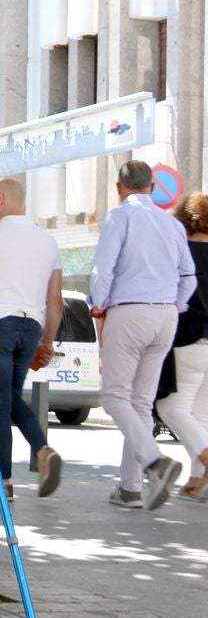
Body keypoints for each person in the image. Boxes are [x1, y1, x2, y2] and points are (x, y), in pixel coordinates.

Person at [89, 160, 197, 510]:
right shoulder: (171, 223)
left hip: (130, 310)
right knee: (140, 403)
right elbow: (189, 277)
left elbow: (102, 269)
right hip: (166, 315)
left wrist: (98, 303)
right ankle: (130, 488)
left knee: (115, 399)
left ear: (120, 188)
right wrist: (176, 305)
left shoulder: (120, 217)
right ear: (152, 186)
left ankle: (155, 462)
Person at [0, 178, 65, 501]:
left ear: (1, 198)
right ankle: (41, 449)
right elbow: (56, 299)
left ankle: (2, 481)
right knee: (10, 397)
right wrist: (47, 341)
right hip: (31, 328)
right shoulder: (48, 243)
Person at [154, 191, 208, 501]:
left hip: (189, 338)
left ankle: (204, 458)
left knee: (171, 407)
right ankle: (197, 478)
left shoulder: (181, 251)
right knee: (201, 413)